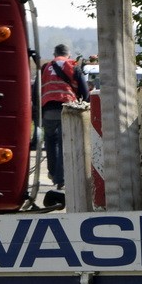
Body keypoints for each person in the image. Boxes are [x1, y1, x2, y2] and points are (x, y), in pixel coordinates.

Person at [39, 43, 89, 190]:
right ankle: (61, 179)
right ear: (69, 55)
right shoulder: (73, 66)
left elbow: (37, 88)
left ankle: (53, 173)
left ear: (54, 55)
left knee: (50, 142)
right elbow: (85, 92)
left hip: (48, 109)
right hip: (67, 109)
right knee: (63, 143)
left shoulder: (45, 67)